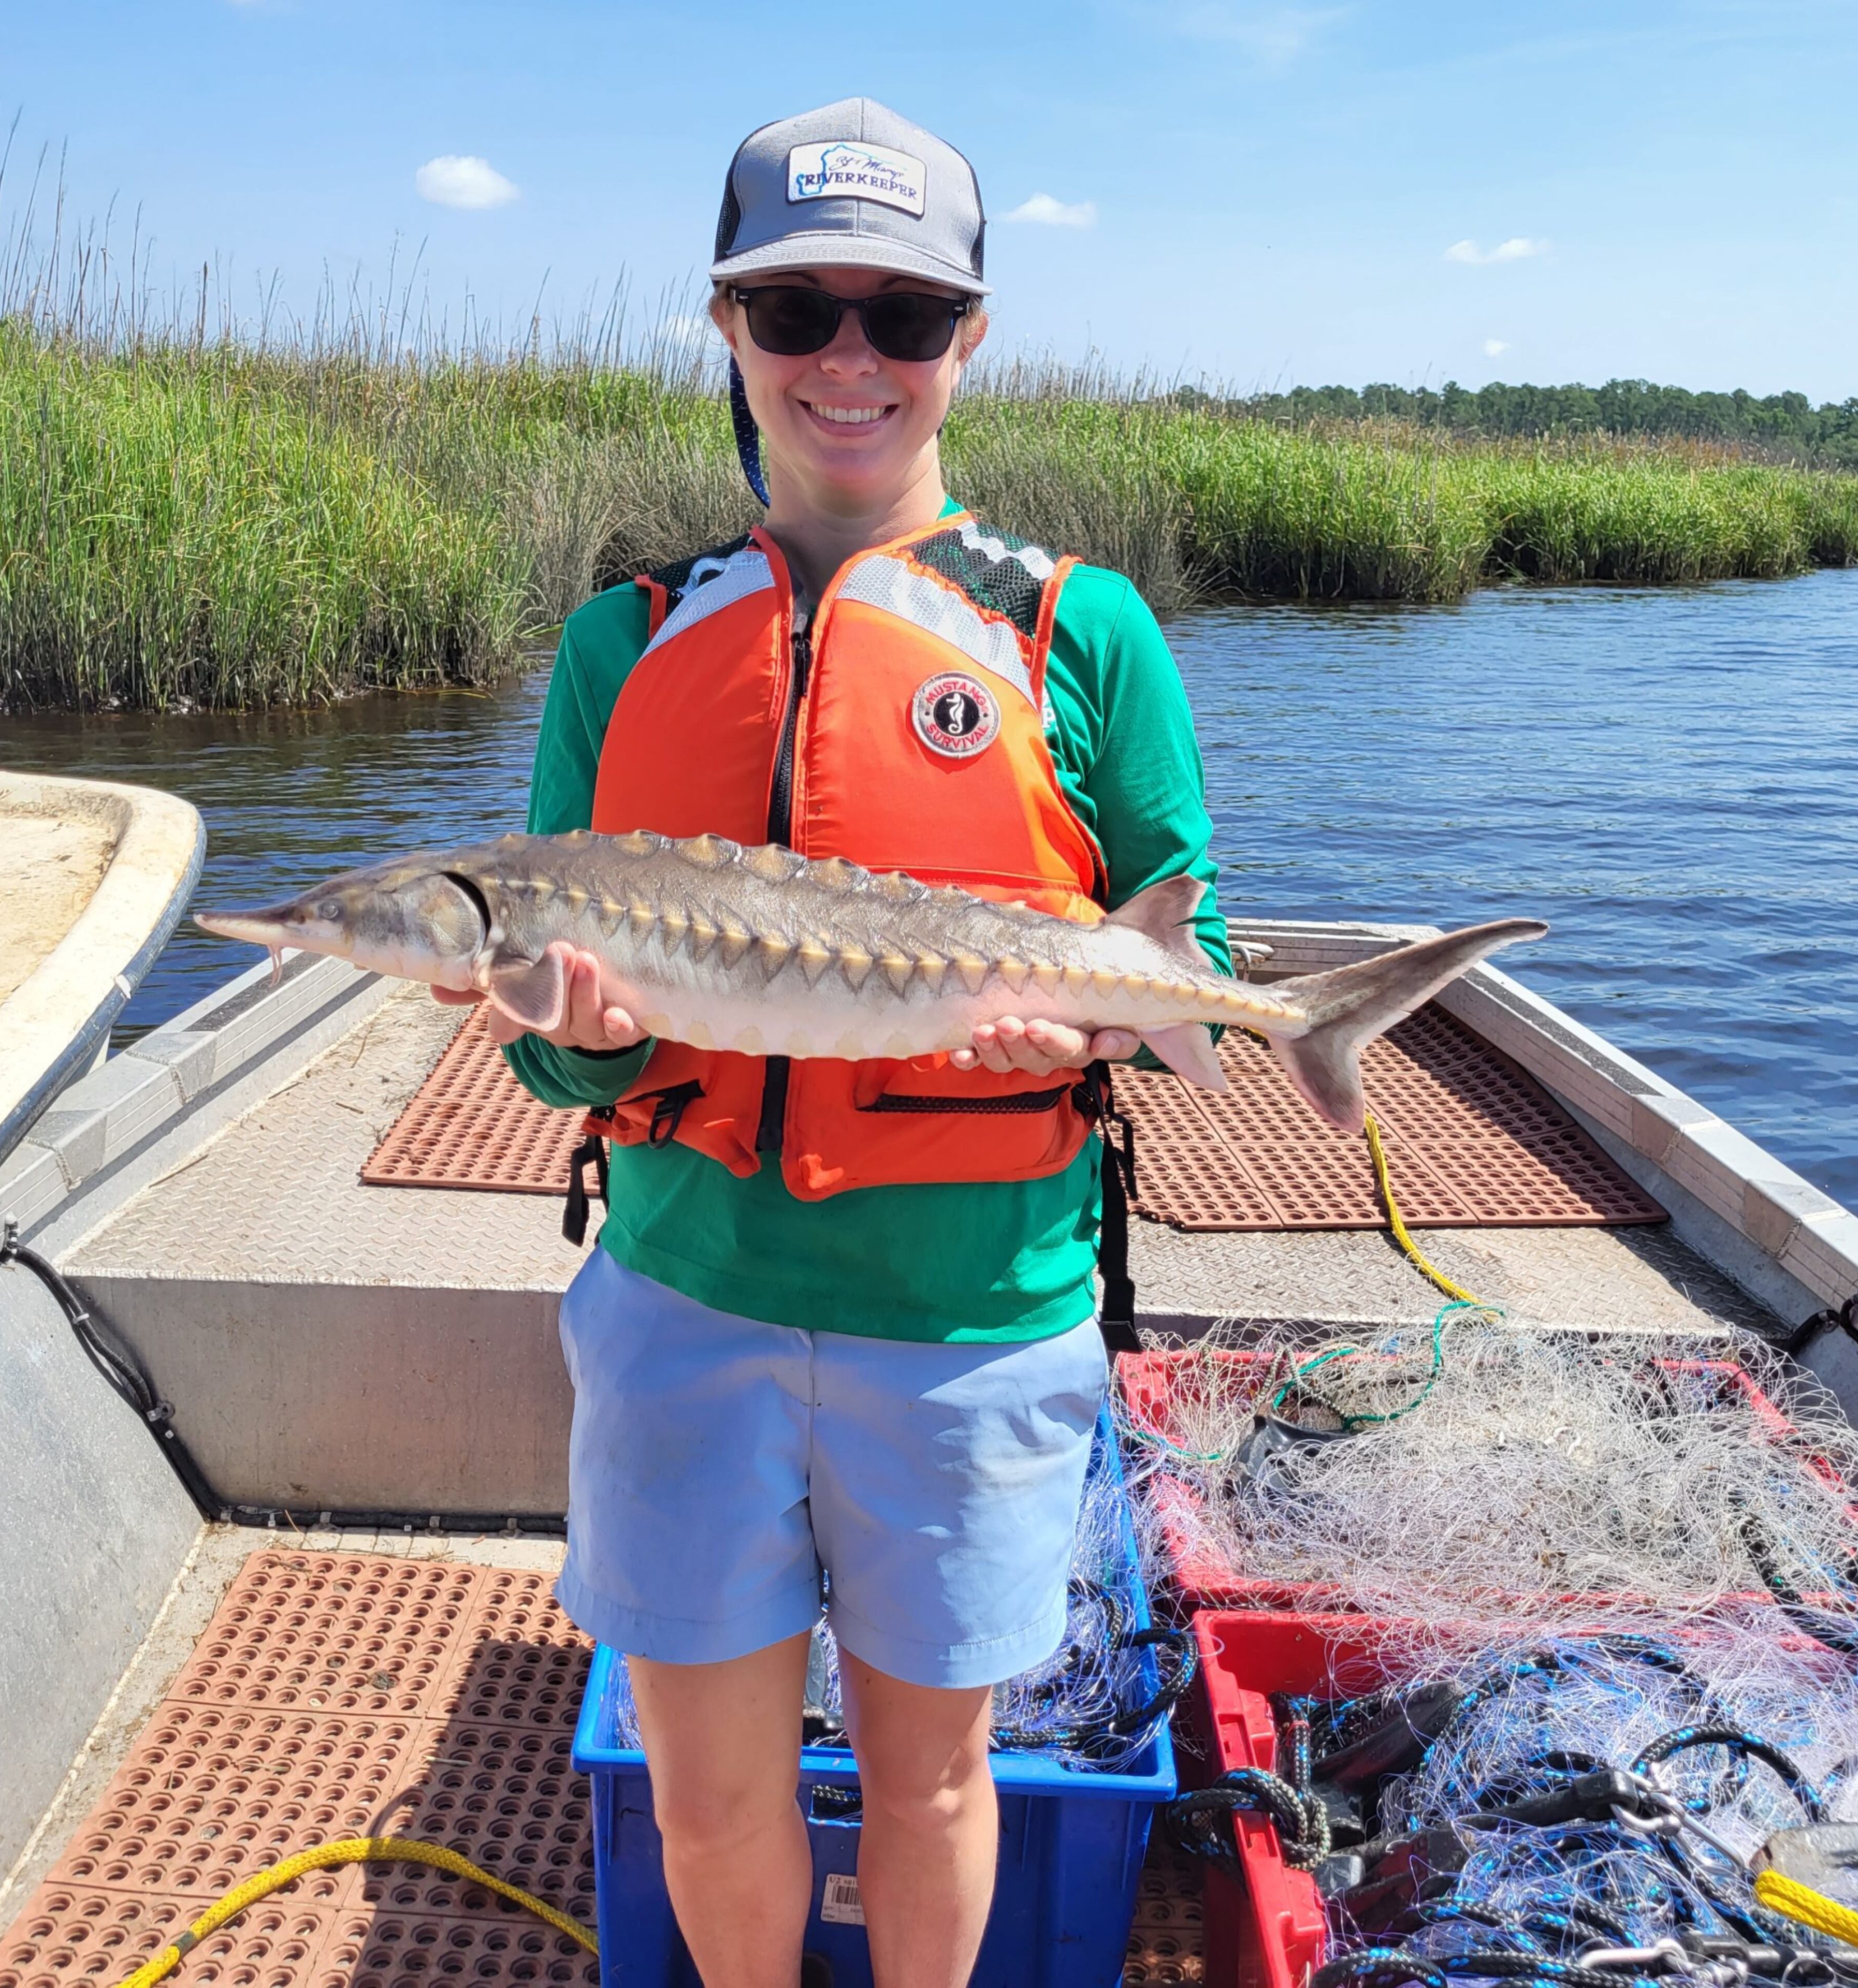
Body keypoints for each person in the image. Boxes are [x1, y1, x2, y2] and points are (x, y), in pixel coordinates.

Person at [452, 97, 1228, 1988]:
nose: (851, 362)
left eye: (904, 314)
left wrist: (1096, 1037)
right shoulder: (617, 640)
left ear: (974, 337)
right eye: (799, 314)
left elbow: (1175, 946)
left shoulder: (1082, 628)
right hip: (686, 1300)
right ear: (728, 328)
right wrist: (571, 1040)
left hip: (974, 1319)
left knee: (939, 1786)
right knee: (712, 1803)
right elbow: (556, 1068)